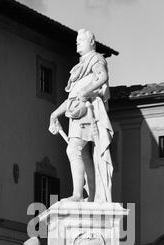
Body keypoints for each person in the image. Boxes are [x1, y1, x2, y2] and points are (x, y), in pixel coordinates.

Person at [49, 29, 113, 203]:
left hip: (88, 111)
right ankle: (92, 196)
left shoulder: (96, 59)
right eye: (77, 40)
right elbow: (72, 98)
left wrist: (86, 91)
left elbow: (102, 76)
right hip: (77, 112)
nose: (78, 43)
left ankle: (77, 195)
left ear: (91, 42)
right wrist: (54, 114)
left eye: (82, 40)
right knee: (85, 156)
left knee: (73, 149)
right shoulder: (79, 67)